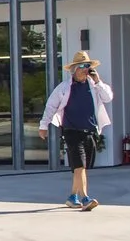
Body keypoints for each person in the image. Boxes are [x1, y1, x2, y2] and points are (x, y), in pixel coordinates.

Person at [40, 50, 113, 210]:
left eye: (87, 66)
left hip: (89, 131)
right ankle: (85, 198)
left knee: (81, 168)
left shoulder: (94, 86)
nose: (85, 69)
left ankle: (72, 197)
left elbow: (108, 97)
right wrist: (43, 126)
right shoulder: (64, 88)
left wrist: (98, 81)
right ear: (74, 69)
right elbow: (51, 106)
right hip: (71, 131)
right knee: (79, 166)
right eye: (81, 66)